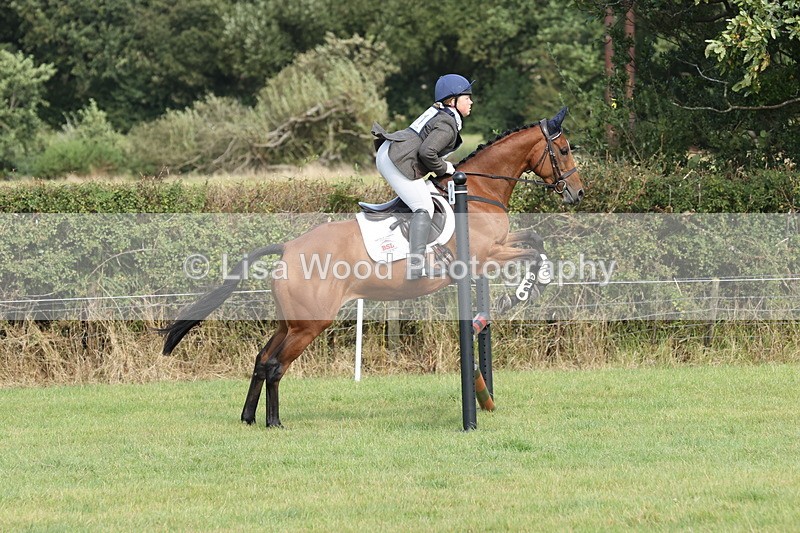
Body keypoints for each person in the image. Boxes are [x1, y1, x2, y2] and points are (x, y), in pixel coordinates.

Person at [371, 74, 474, 279]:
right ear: (452, 100)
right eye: (467, 97)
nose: (471, 101)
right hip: (395, 159)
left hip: (393, 152)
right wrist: (444, 168)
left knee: (429, 192)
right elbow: (427, 153)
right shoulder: (447, 122)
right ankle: (416, 266)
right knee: (424, 207)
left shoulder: (443, 114)